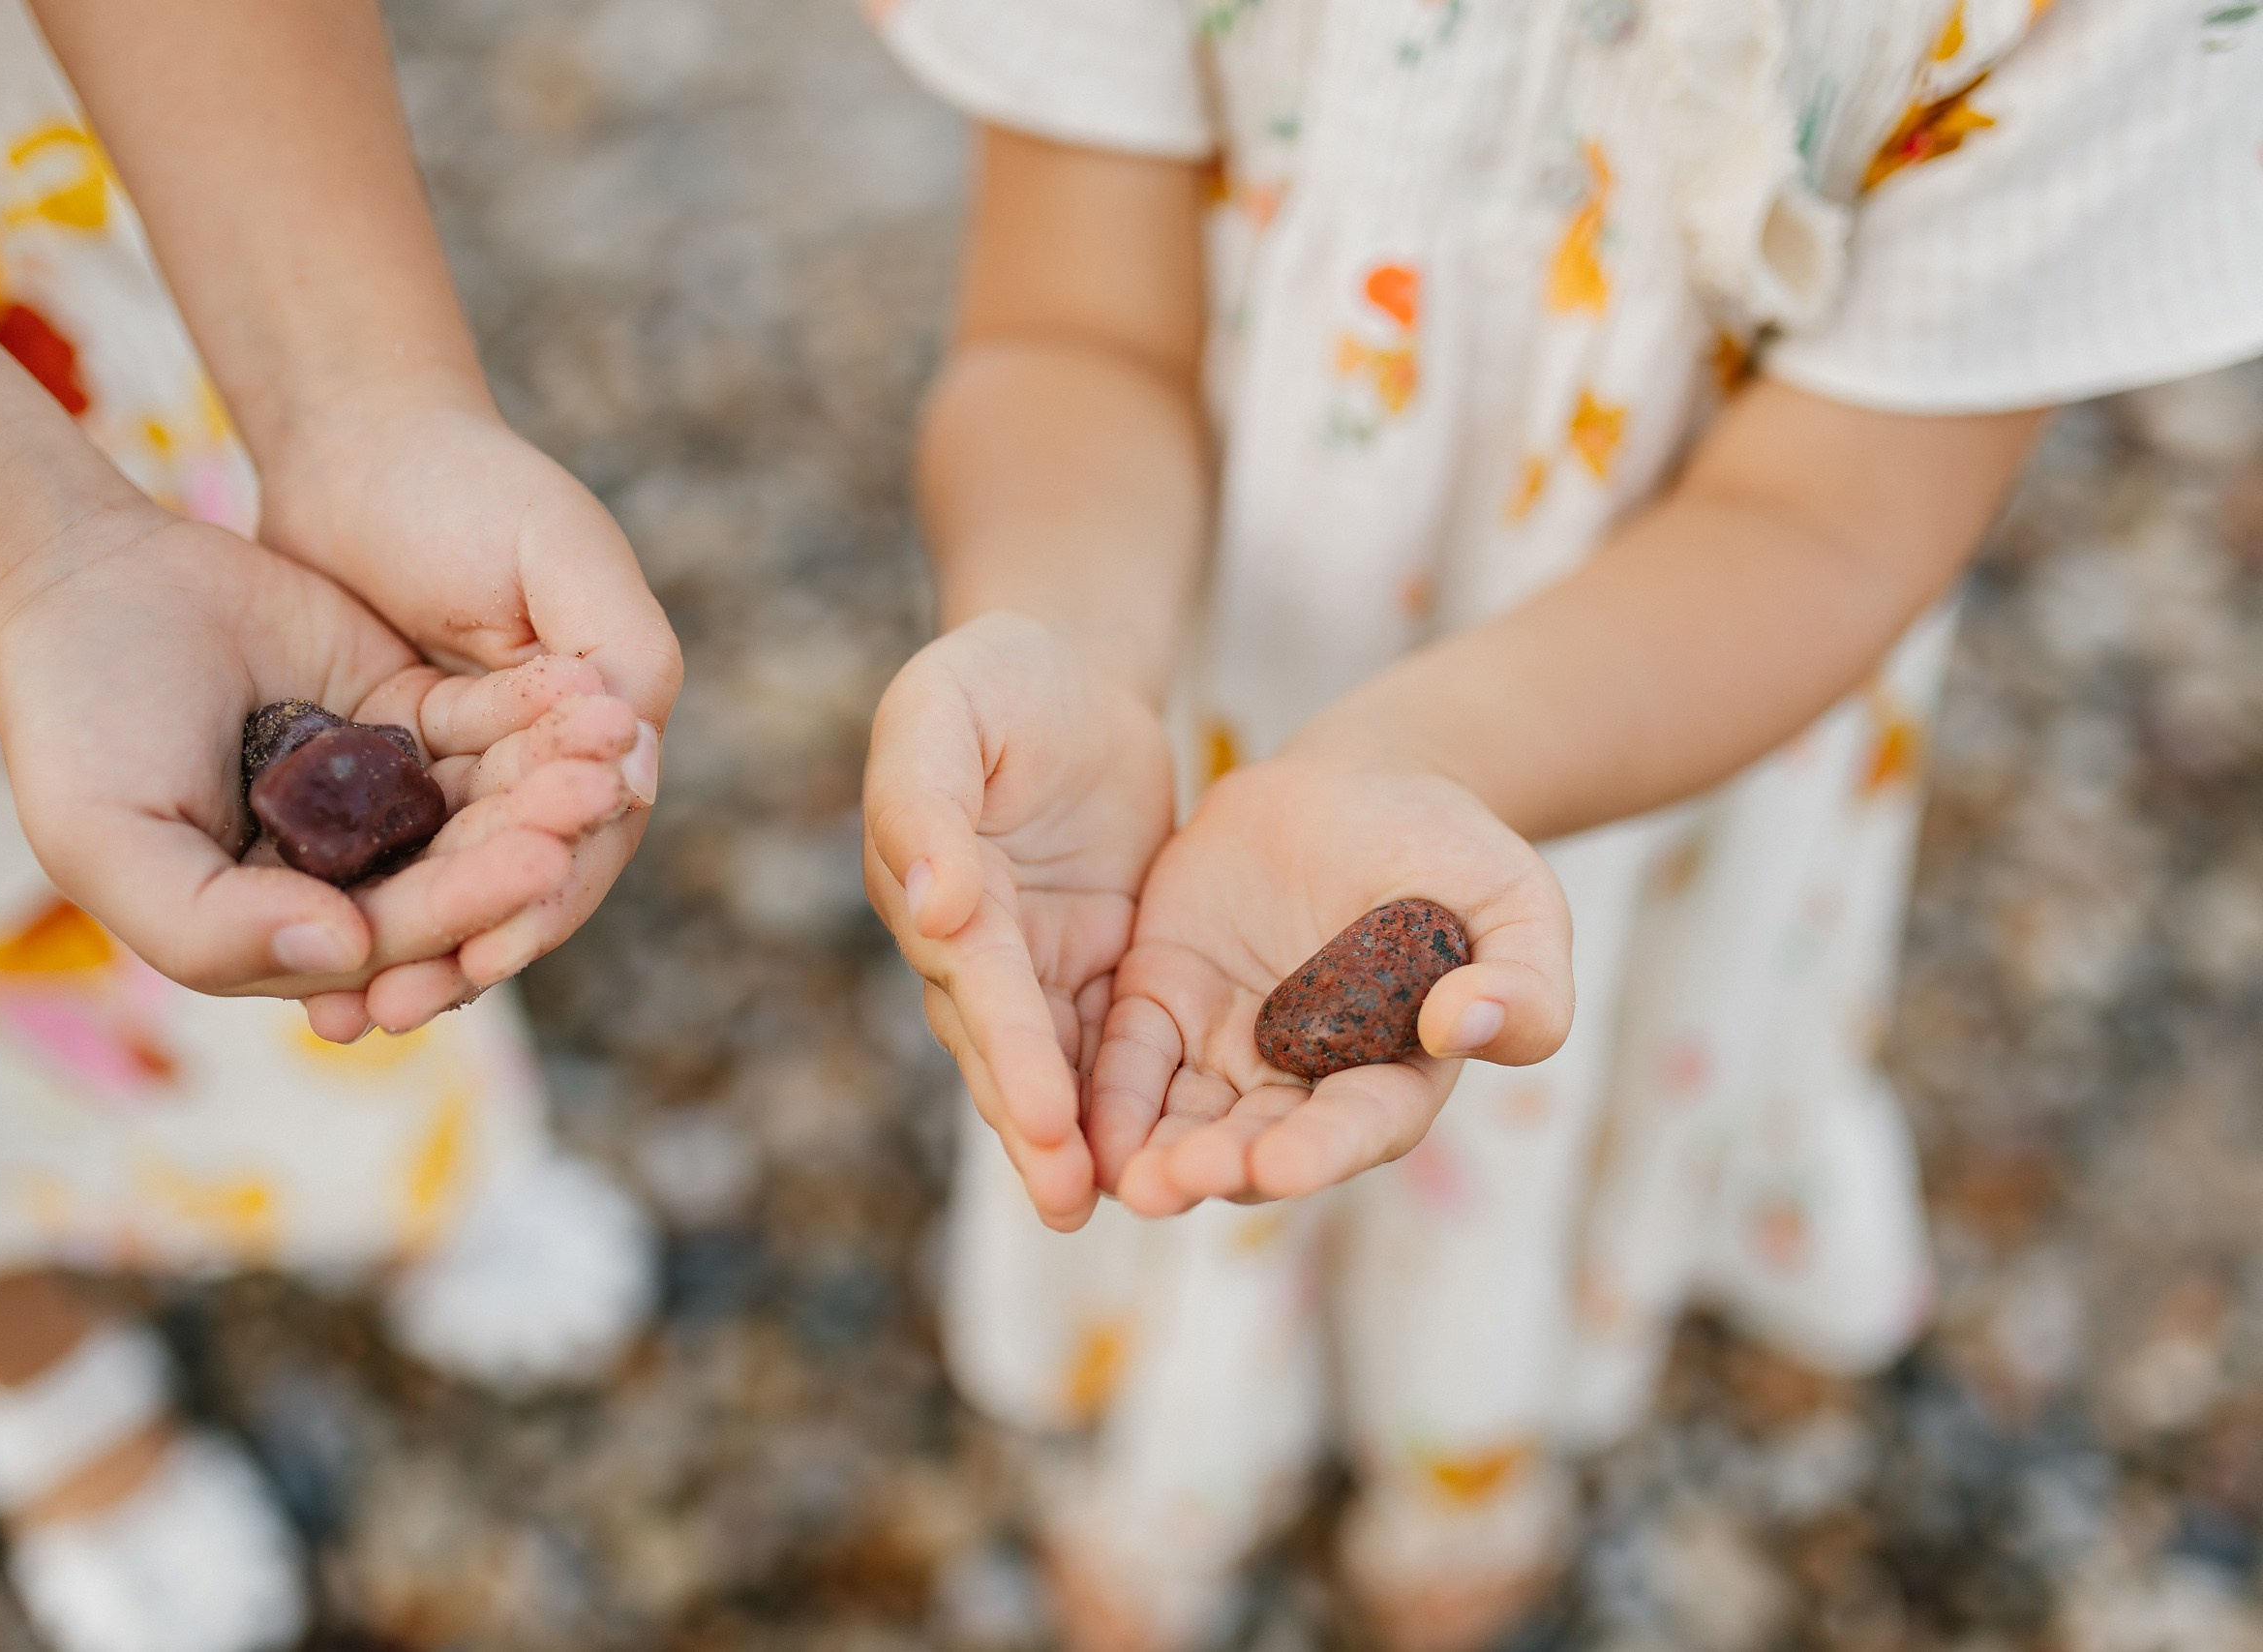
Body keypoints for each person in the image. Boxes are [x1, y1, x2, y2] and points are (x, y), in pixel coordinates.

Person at [860, 0, 2263, 1647]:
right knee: (1148, 1068)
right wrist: (1070, 642)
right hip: (1195, 673)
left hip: (1649, 722)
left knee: (1515, 1091)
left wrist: (1423, 751)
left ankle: (1467, 1453)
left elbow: (1827, 518)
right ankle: (1186, 1456)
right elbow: (1074, 329)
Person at [0, 3, 681, 1649]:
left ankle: (404, 1181)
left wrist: (363, 401)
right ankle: (33, 1380)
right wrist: (18, 562)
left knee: (286, 682)